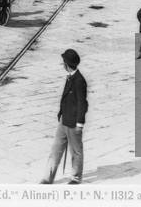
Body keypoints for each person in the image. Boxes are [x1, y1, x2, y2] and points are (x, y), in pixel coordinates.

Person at [41, 49, 88, 185]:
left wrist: (80, 123)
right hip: (64, 120)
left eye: (63, 62)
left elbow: (82, 103)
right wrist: (61, 113)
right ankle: (47, 177)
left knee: (76, 152)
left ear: (66, 64)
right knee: (56, 149)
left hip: (74, 123)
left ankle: (76, 178)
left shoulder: (79, 80)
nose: (62, 64)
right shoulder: (70, 76)